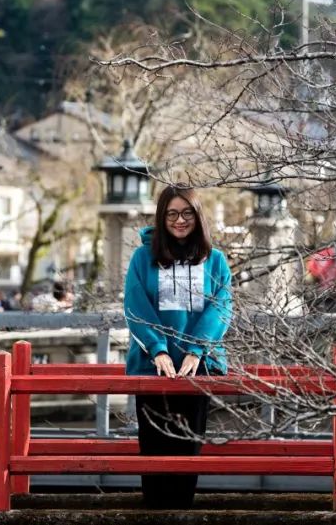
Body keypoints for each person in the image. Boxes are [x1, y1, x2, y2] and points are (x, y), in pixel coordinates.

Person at [123, 185, 233, 509]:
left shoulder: (215, 261)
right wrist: (157, 349)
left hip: (196, 370)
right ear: (162, 217)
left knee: (188, 450)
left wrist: (196, 350)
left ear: (198, 216)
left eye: (187, 213)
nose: (180, 220)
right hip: (152, 367)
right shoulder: (143, 258)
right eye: (172, 213)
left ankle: (182, 512)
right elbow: (135, 306)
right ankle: (153, 512)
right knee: (154, 449)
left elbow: (221, 307)